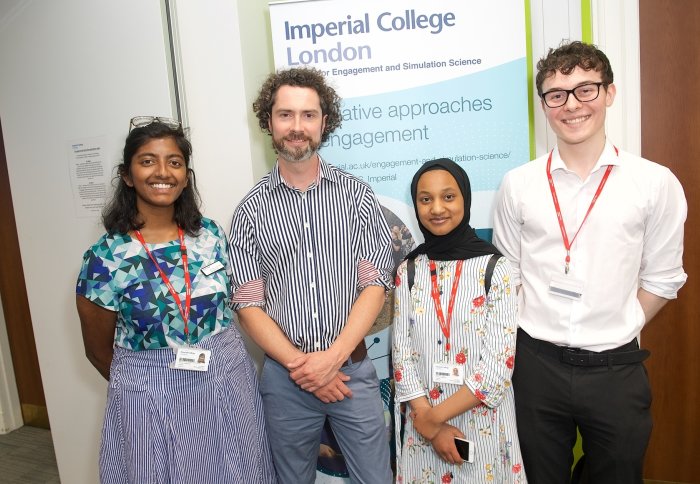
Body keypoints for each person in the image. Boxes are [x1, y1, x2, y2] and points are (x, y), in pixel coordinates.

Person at [492, 41, 687, 483]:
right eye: (556, 94)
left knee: (617, 473)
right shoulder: (518, 184)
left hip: (616, 368)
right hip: (536, 366)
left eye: (585, 89)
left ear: (609, 93)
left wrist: (618, 323)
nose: (571, 105)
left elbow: (663, 278)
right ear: (544, 105)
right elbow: (509, 275)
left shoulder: (654, 183)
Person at [76, 117, 277, 484]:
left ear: (185, 176)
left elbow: (236, 301)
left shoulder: (209, 235)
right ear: (127, 175)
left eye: (174, 162)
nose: (162, 172)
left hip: (226, 382)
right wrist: (156, 376)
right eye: (147, 161)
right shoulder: (105, 258)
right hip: (150, 395)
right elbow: (97, 351)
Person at [228, 67, 394, 484]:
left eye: (308, 115)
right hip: (286, 381)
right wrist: (305, 369)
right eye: (285, 114)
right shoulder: (249, 210)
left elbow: (375, 286)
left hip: (351, 371)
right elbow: (248, 304)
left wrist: (332, 359)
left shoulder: (357, 196)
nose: (297, 126)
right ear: (269, 122)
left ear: (324, 122)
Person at [393, 159, 526, 483]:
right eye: (426, 199)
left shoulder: (495, 269)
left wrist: (433, 419)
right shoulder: (409, 271)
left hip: (479, 422)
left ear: (465, 199)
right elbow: (401, 356)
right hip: (423, 427)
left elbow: (498, 367)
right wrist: (429, 424)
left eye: (448, 197)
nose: (437, 208)